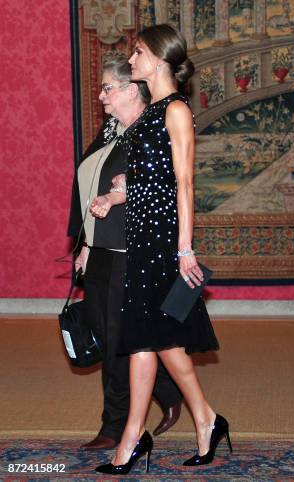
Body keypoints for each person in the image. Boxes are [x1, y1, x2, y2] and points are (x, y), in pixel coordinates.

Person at [95, 24, 227, 475]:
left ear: (158, 57)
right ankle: (194, 421)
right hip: (141, 237)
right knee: (149, 341)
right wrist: (121, 190)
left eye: (137, 53)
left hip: (165, 244)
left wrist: (185, 250)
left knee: (155, 340)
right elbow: (153, 180)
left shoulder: (176, 111)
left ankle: (140, 436)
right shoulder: (150, 112)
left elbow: (185, 184)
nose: (131, 60)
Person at [67, 56, 184, 451]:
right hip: (101, 246)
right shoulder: (111, 130)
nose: (101, 96)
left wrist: (121, 192)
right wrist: (84, 243)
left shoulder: (150, 129)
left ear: (132, 90)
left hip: (132, 248)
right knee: (105, 332)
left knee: (119, 337)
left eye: (107, 88)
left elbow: (163, 184)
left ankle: (115, 426)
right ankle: (167, 392)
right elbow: (92, 184)